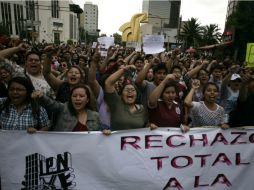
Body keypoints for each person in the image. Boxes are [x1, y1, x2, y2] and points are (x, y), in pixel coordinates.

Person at [32, 84, 100, 132]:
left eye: (81, 96)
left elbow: (99, 135)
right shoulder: (63, 108)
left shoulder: (95, 116)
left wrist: (106, 133)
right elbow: (51, 104)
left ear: (87, 100)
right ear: (70, 98)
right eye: (74, 96)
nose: (77, 98)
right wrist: (41, 97)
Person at [104, 65, 148, 133]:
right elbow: (108, 83)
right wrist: (124, 69)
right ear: (121, 94)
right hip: (115, 142)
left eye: (133, 90)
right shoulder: (116, 103)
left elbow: (145, 127)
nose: (130, 91)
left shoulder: (142, 109)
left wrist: (151, 126)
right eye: (127, 89)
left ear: (136, 95)